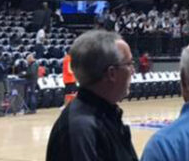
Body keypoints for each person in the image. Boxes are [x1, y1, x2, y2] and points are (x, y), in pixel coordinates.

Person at [45, 30, 138, 161]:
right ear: (111, 73)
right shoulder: (82, 130)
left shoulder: (106, 115)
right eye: (129, 64)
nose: (133, 71)